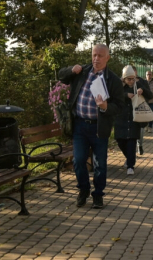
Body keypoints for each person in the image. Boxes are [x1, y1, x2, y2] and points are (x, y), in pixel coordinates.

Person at [58, 44, 124, 209]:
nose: (96, 59)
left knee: (100, 163)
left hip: (99, 127)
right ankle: (83, 190)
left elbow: (120, 106)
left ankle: (98, 195)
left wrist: (105, 107)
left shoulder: (113, 80)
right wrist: (71, 70)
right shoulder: (82, 72)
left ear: (107, 58)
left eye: (100, 56)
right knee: (79, 161)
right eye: (94, 55)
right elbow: (61, 76)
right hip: (80, 125)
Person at [115, 65, 153, 175]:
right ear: (124, 78)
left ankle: (130, 165)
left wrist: (143, 91)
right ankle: (130, 158)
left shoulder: (139, 84)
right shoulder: (119, 86)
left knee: (131, 141)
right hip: (121, 118)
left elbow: (150, 95)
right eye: (129, 79)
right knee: (120, 141)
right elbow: (113, 97)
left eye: (133, 78)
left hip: (134, 118)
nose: (131, 81)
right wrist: (126, 95)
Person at [132, 65, 149, 155]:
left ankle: (140, 145)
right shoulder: (123, 82)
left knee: (141, 130)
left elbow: (149, 94)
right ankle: (131, 153)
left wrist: (142, 89)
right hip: (129, 110)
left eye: (133, 72)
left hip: (140, 108)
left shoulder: (142, 81)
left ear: (136, 72)